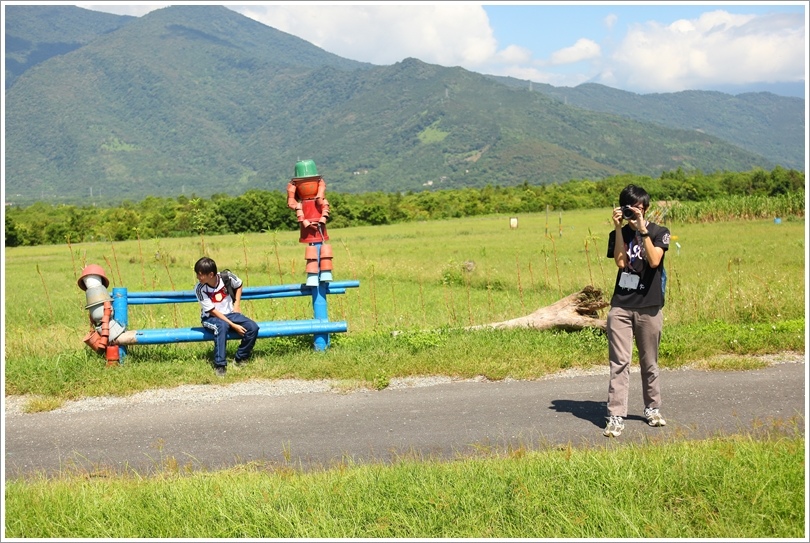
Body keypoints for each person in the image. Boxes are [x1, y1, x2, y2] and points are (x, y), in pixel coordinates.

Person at [603, 184, 670, 437]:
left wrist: (642, 229)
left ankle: (652, 408)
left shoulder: (659, 232)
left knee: (649, 362)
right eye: (631, 209)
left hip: (649, 307)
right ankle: (616, 415)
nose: (635, 213)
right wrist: (620, 227)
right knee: (619, 363)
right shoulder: (616, 233)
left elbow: (654, 261)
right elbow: (621, 262)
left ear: (646, 209)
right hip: (621, 306)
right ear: (622, 208)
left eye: (639, 209)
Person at [193, 257, 259, 377]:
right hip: (210, 318)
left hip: (231, 314)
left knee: (253, 327)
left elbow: (239, 284)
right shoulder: (199, 289)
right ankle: (220, 365)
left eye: (200, 275)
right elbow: (212, 311)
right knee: (222, 326)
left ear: (211, 274)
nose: (198, 277)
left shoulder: (227, 277)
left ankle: (240, 359)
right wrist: (233, 325)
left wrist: (237, 304)